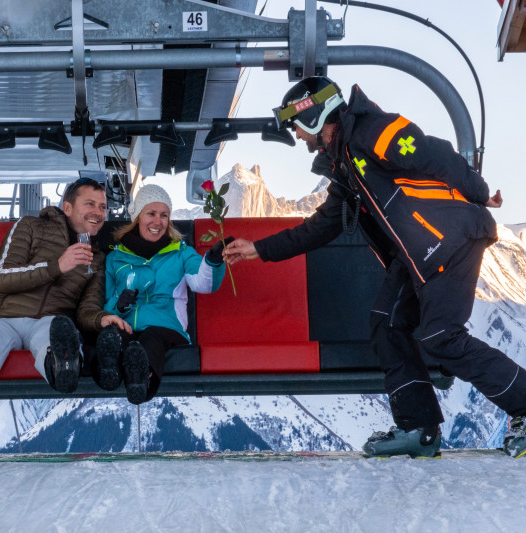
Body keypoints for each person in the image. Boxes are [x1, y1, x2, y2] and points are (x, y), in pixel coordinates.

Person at [224, 76, 526, 458]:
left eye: (297, 126)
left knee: (441, 337)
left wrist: (480, 193)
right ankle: (418, 428)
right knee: (386, 323)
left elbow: (437, 154)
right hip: (419, 254)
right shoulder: (346, 164)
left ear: (314, 115)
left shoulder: (374, 131)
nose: (298, 136)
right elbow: (318, 228)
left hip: (450, 240)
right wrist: (259, 249)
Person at [0, 177, 131, 422]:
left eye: (102, 207)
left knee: (56, 333)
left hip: (51, 319)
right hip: (5, 317)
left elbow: (86, 309)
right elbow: (4, 277)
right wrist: (57, 265)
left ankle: (62, 367)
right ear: (67, 208)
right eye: (90, 204)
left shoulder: (97, 258)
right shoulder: (29, 226)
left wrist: (101, 319)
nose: (98, 213)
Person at [92, 184, 229, 404]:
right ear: (137, 217)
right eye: (151, 214)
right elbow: (104, 306)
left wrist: (212, 261)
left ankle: (143, 380)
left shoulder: (181, 252)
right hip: (124, 323)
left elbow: (203, 282)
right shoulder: (115, 258)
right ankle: (108, 370)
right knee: (115, 336)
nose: (158, 222)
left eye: (164, 215)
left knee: (150, 340)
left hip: (165, 327)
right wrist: (118, 306)